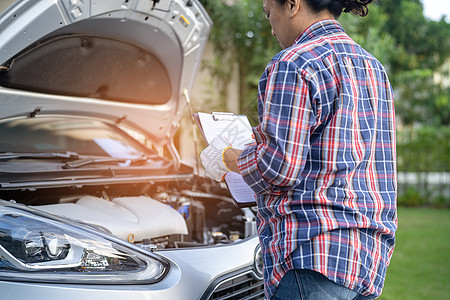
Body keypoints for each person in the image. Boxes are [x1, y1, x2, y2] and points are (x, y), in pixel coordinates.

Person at [200, 0, 397, 299]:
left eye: (269, 13)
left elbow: (279, 168)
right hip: (367, 258)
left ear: (292, 5)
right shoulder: (372, 68)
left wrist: (227, 156)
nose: (271, 27)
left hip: (312, 254)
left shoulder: (293, 63)